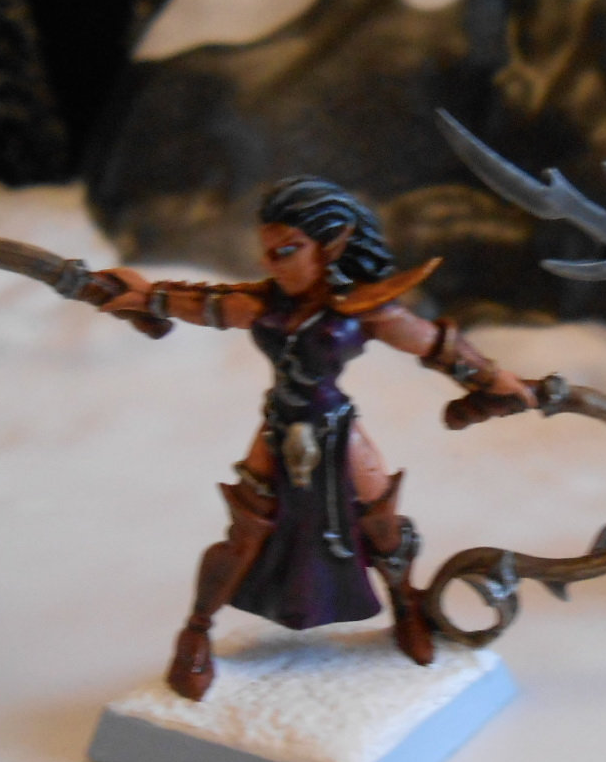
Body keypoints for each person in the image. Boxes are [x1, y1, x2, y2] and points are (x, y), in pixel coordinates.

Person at [97, 176, 536, 701]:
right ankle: (196, 632)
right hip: (280, 424)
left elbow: (436, 345)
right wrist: (143, 295)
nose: (272, 264)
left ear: (331, 246)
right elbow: (203, 303)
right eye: (267, 251)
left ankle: (407, 606)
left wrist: (494, 380)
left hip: (334, 425)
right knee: (245, 531)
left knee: (381, 519)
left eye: (287, 250)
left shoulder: (364, 308)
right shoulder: (263, 303)